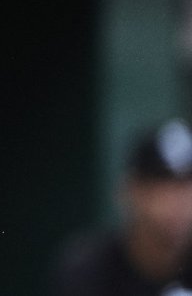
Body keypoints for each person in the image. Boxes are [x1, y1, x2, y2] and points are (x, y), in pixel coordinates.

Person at [50, 118, 192, 295]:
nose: (179, 201)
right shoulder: (90, 270)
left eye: (187, 186)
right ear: (129, 190)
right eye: (162, 186)